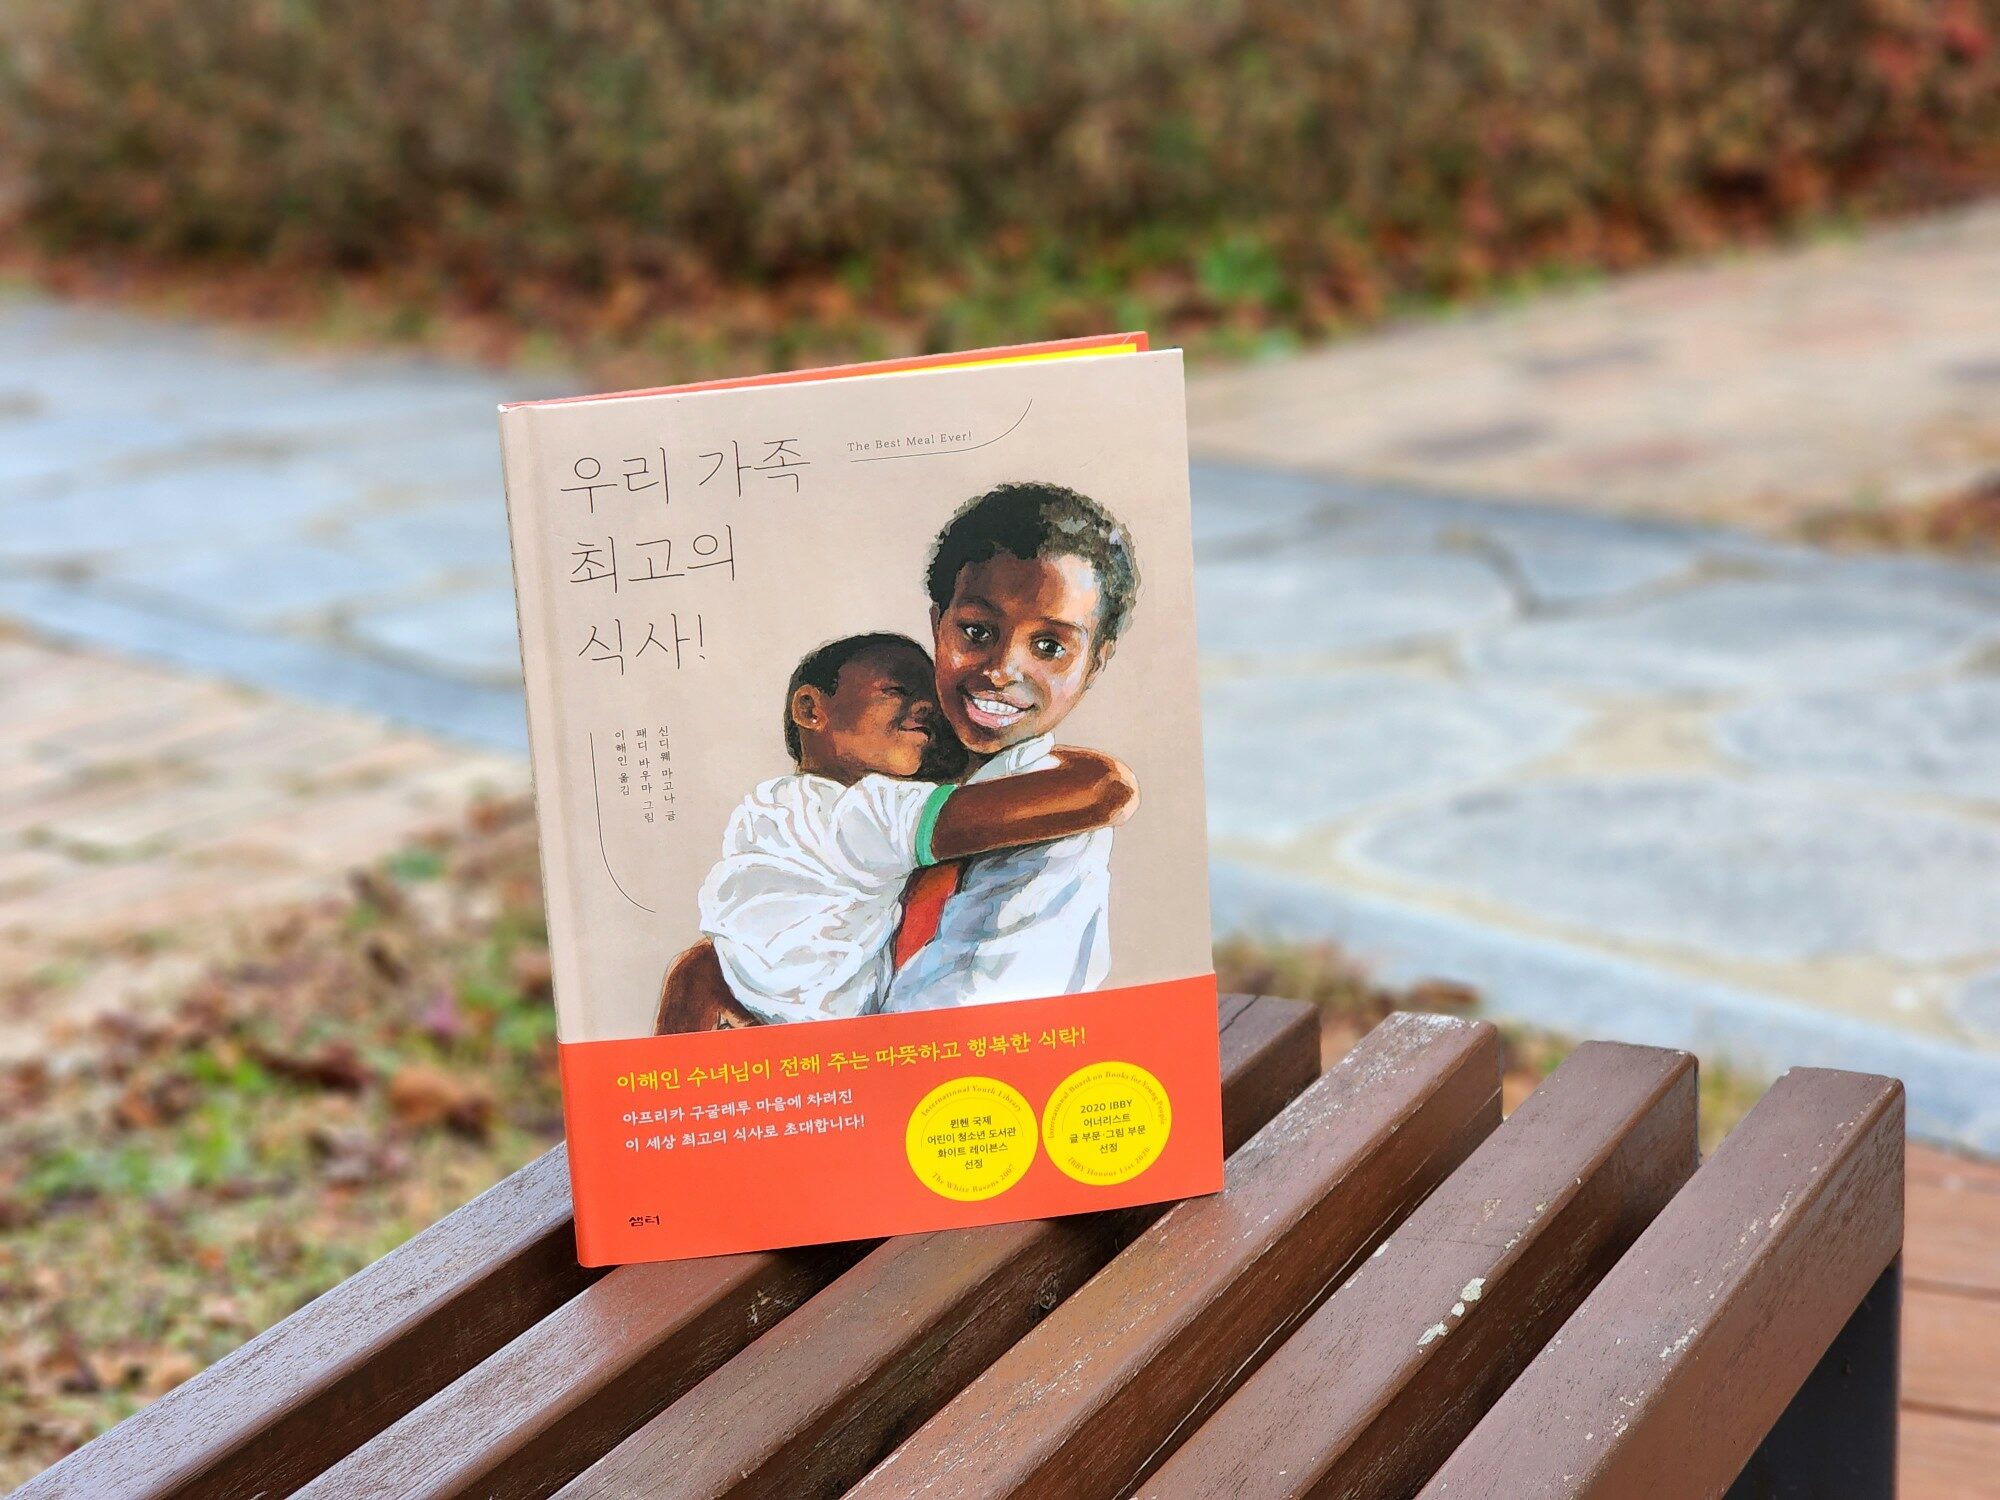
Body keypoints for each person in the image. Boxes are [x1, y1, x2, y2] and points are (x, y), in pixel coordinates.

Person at [655, 631, 1135, 1031]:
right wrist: (1040, 757)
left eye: (932, 704)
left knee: (695, 970)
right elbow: (1104, 791)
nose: (926, 708)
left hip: (750, 998)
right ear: (810, 708)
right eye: (899, 690)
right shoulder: (872, 813)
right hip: (827, 1031)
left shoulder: (767, 804)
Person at [884, 481, 1140, 1013]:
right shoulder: (897, 768)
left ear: (1095, 663)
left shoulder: (1059, 835)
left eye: (1049, 646)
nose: (1002, 671)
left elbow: (962, 1009)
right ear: (937, 624)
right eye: (977, 632)